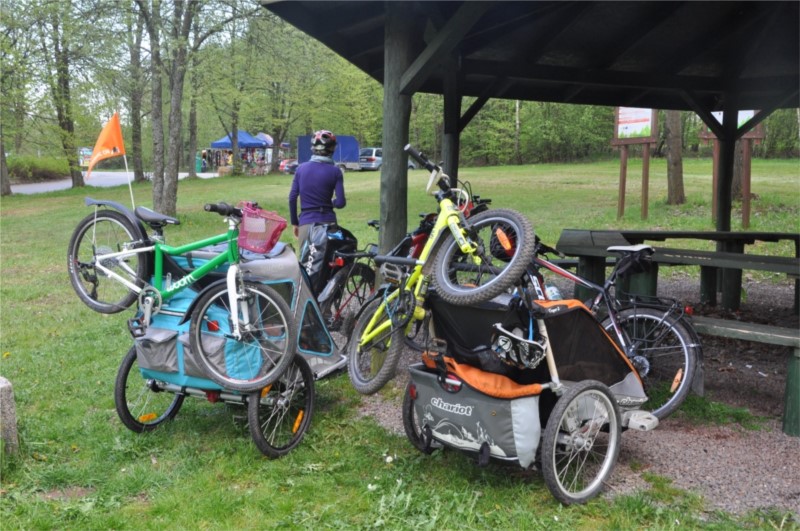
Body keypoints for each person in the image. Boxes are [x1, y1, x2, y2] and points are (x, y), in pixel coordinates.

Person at [288, 130, 346, 254]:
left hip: (306, 222)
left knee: (306, 265)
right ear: (332, 149)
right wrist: (331, 202)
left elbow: (292, 198)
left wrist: (295, 223)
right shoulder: (335, 171)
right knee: (330, 263)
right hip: (328, 222)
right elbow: (340, 203)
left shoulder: (301, 169)